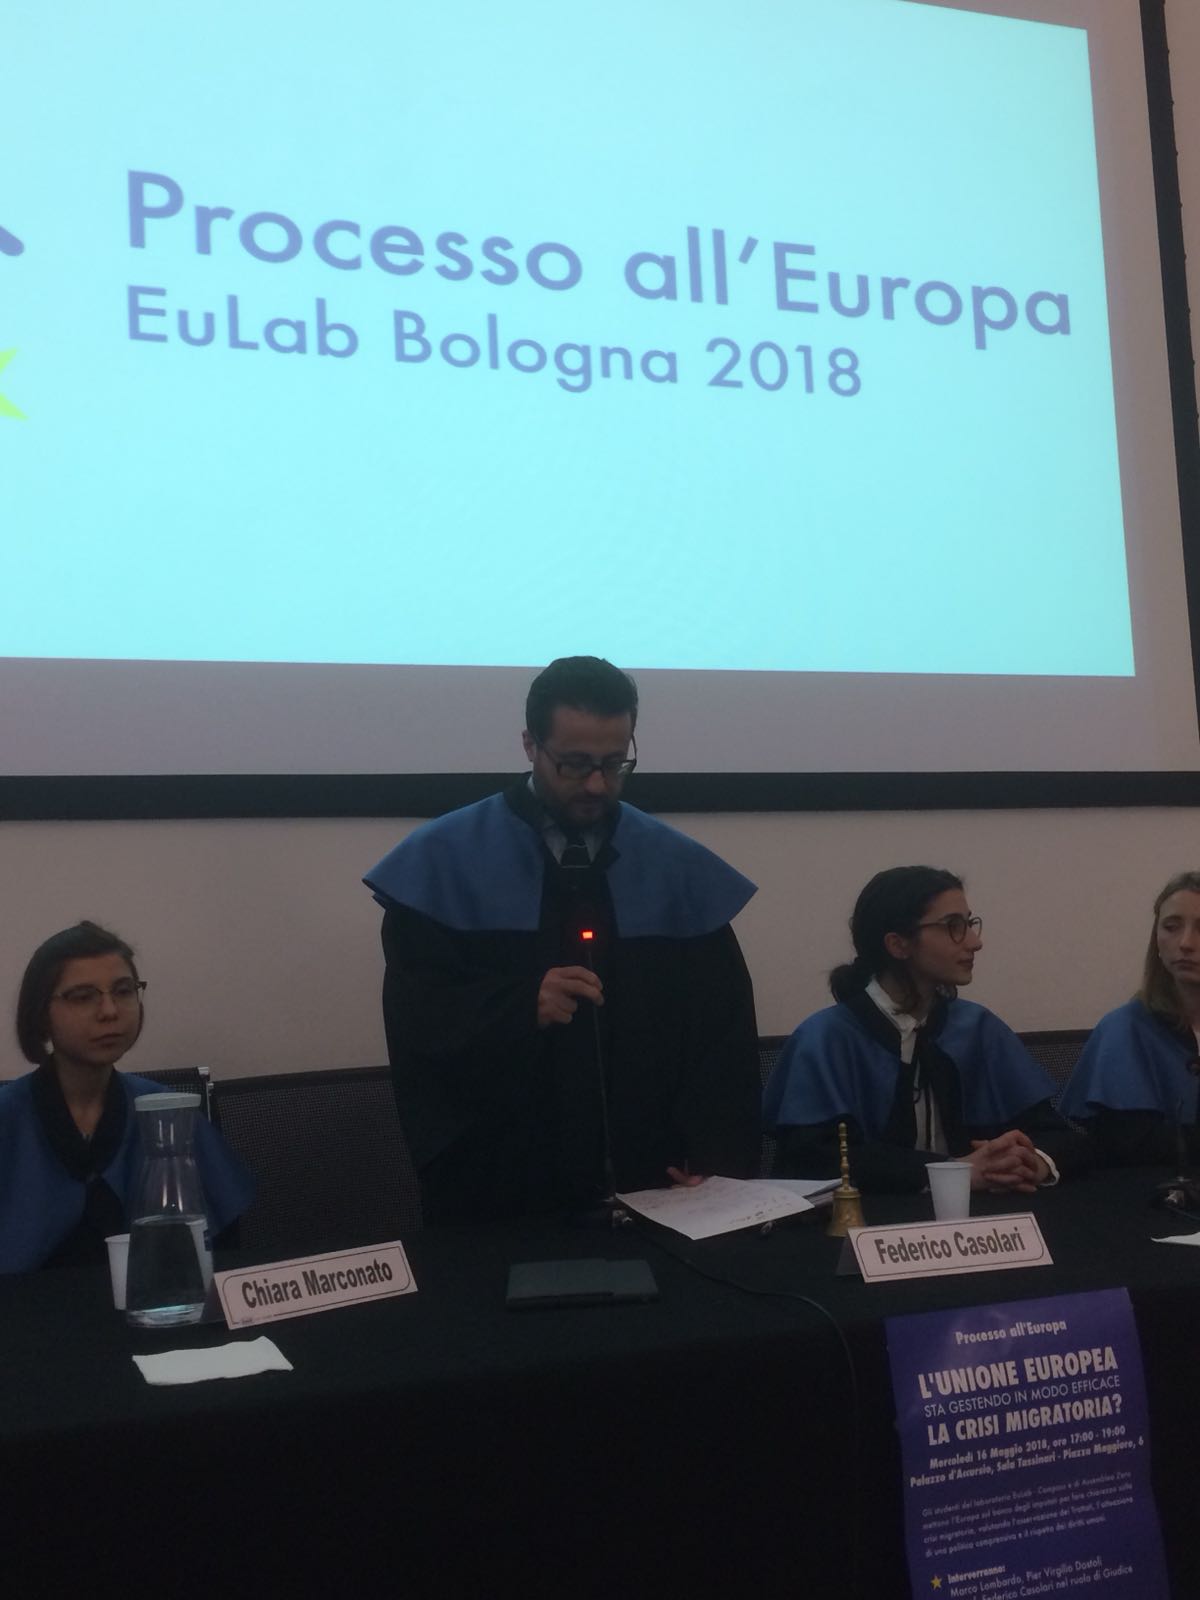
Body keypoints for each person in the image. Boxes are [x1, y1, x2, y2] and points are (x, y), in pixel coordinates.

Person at [365, 655, 762, 1222]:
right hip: (499, 1190)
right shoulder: (445, 863)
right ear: (530, 745)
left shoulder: (673, 868)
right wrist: (519, 1006)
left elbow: (722, 1039)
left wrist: (715, 1162)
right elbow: (419, 1017)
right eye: (575, 765)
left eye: (615, 764)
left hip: (659, 1188)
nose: (597, 784)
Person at [764, 865, 1088, 1193]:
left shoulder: (977, 1028)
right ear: (898, 944)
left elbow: (1055, 1133)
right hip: (870, 1218)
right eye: (953, 926)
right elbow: (813, 1161)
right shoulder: (827, 1038)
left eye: (970, 923)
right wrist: (955, 1172)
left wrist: (1032, 1161)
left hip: (984, 1216)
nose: (975, 942)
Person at [0, 921, 253, 1274]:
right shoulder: (8, 1117)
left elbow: (223, 1259)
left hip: (158, 1305)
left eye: (123, 991)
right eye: (83, 996)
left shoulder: (167, 1113)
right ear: (40, 1013)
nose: (110, 1011)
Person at [1058, 871, 1200, 1165]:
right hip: (1155, 1186)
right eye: (1171, 927)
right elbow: (1129, 1144)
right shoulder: (1124, 1029)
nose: (1186, 942)